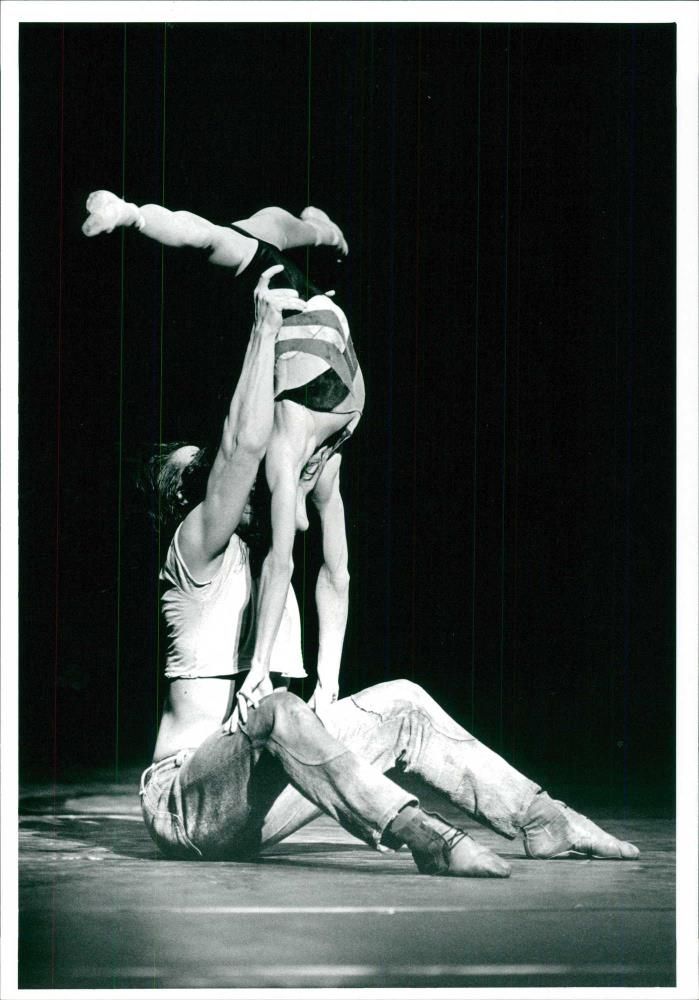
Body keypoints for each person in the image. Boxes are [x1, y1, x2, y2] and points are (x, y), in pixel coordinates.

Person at [137, 266, 640, 877]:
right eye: (203, 470)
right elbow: (242, 446)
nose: (222, 469)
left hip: (259, 796)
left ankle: (543, 819)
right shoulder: (196, 547)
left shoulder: (268, 543)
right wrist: (265, 326)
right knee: (277, 710)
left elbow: (334, 565)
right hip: (186, 806)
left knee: (402, 703)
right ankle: (423, 837)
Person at [83, 190, 363, 724]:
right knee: (247, 232)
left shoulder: (301, 460)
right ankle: (133, 214)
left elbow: (316, 564)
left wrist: (322, 681)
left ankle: (134, 214)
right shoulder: (307, 463)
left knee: (235, 233)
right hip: (300, 323)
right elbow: (319, 565)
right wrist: (308, 677)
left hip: (294, 319)